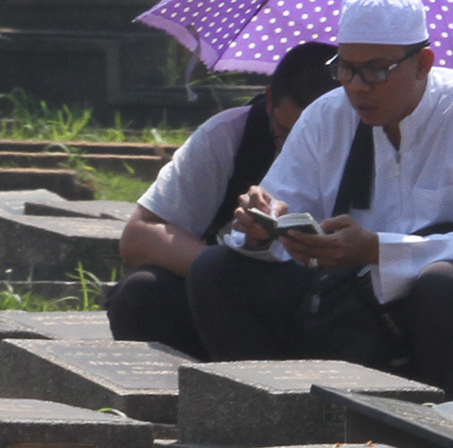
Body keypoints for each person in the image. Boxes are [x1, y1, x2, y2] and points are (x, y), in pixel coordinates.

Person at [186, 0, 453, 400]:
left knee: (446, 286)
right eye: (345, 68)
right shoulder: (327, 114)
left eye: (376, 70)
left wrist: (378, 250)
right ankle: (276, 420)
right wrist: (263, 224)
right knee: (216, 270)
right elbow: (281, 207)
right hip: (353, 311)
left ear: (423, 63)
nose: (357, 86)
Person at [106, 42, 338, 357]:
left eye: (313, 139)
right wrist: (224, 274)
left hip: (320, 303)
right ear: (269, 100)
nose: (295, 149)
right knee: (142, 293)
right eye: (285, 133)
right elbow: (139, 235)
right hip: (220, 306)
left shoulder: (370, 142)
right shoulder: (228, 136)